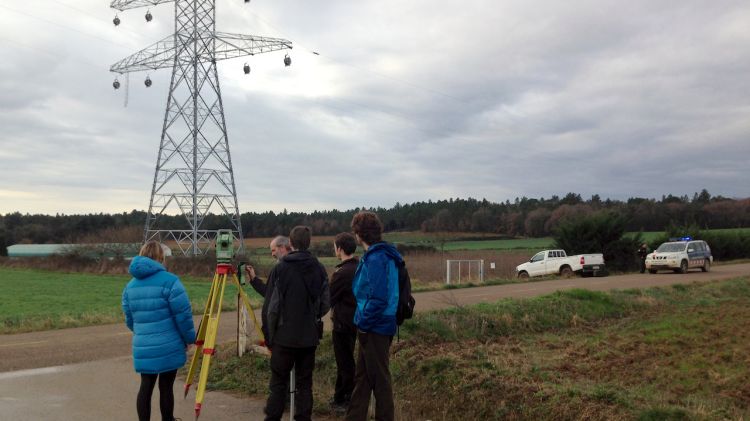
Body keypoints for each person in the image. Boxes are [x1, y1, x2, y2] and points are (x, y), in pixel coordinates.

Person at [262, 226, 331, 421]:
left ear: (290, 244)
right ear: (309, 243)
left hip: (284, 337)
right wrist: (312, 316)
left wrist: (271, 336)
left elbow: (272, 309)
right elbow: (326, 301)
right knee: (305, 384)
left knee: (278, 384)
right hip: (309, 337)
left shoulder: (280, 268)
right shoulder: (319, 268)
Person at [122, 241, 196, 421]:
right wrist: (189, 338)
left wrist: (142, 333)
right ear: (160, 257)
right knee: (166, 386)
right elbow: (183, 315)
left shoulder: (130, 286)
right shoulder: (170, 281)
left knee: (145, 386)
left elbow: (130, 320)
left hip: (143, 344)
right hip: (169, 344)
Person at [345, 211, 403, 421]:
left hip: (375, 327)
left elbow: (378, 298)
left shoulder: (376, 258)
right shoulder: (381, 254)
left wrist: (363, 323)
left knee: (380, 381)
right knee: (363, 379)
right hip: (375, 325)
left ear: (359, 235)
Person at [329, 232, 359, 414]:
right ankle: (339, 397)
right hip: (355, 321)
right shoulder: (358, 267)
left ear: (339, 249)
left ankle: (347, 399)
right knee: (345, 361)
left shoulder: (342, 273)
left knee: (345, 362)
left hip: (342, 323)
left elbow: (328, 298)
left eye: (334, 246)